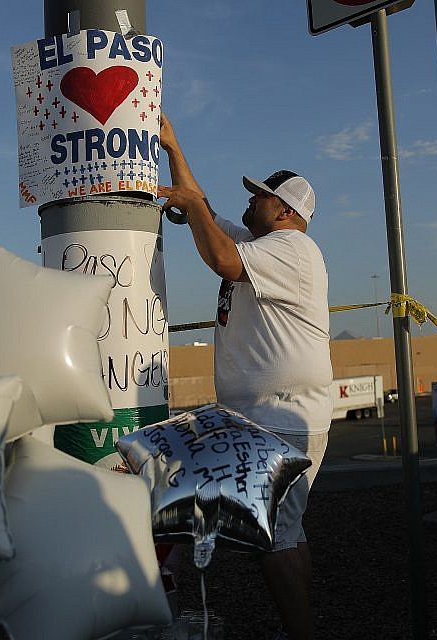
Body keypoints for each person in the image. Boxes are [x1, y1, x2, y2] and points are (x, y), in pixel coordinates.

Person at [157, 113, 332, 640]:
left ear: (284, 211)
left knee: (271, 538)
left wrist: (190, 208)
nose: (251, 201)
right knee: (287, 533)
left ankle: (299, 633)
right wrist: (173, 147)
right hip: (272, 415)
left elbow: (222, 258)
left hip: (280, 416)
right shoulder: (266, 246)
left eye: (259, 196)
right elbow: (206, 214)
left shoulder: (290, 248)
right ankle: (298, 628)